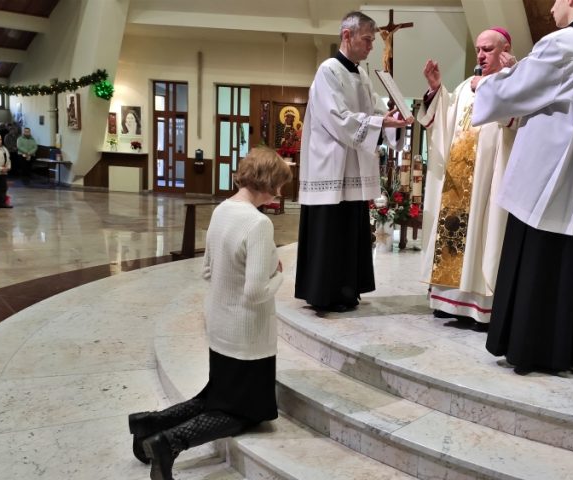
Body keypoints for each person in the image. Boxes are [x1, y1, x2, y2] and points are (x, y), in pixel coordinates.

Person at [471, 0, 573, 374]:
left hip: (549, 178)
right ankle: (565, 352)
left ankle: (527, 348)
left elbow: (516, 89)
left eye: (556, 0)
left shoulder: (561, 43)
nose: (551, 9)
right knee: (569, 265)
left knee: (536, 262)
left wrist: (485, 84)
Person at [128, 147, 292, 480]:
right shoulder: (258, 224)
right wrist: (279, 274)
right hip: (247, 335)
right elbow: (256, 292)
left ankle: (149, 423)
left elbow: (206, 271)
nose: (279, 192)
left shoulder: (222, 210)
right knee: (246, 411)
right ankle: (170, 442)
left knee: (216, 396)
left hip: (219, 325)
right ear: (268, 182)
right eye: (279, 185)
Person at [295, 11, 412, 312]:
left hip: (353, 166)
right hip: (330, 167)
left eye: (372, 41)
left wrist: (394, 119)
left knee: (348, 232)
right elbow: (338, 118)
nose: (371, 46)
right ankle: (324, 294)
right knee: (330, 233)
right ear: (347, 35)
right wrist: (380, 121)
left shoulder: (361, 75)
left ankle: (347, 291)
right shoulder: (328, 71)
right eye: (367, 40)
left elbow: (376, 110)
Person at [417, 28, 518, 328]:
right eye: (478, 49)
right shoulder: (465, 87)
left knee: (484, 238)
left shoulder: (513, 83)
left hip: (489, 180)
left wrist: (499, 83)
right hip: (457, 183)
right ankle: (448, 301)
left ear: (505, 50)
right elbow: (442, 119)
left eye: (488, 49)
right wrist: (436, 90)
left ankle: (479, 308)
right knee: (454, 235)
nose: (481, 55)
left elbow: (515, 120)